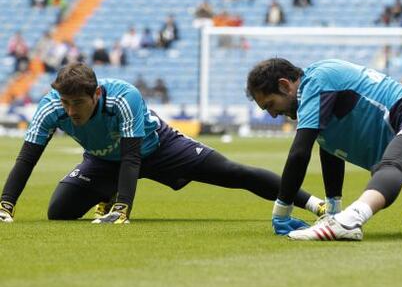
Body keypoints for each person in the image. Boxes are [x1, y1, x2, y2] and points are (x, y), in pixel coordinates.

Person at [0, 62, 325, 224]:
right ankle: (107, 189)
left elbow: (131, 158)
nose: (70, 112)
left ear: (96, 94)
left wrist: (122, 210)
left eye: (78, 104)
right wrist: (5, 206)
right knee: (59, 212)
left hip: (160, 148)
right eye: (65, 103)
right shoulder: (51, 107)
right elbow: (28, 157)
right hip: (103, 162)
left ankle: (316, 204)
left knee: (233, 173)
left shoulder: (124, 97)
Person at [246, 57, 402, 241]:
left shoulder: (317, 81)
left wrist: (281, 211)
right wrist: (332, 210)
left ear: (285, 86)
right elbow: (332, 149)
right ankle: (338, 220)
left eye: (270, 104)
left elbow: (299, 154)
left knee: (391, 166)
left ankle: (349, 222)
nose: (272, 114)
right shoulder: (320, 98)